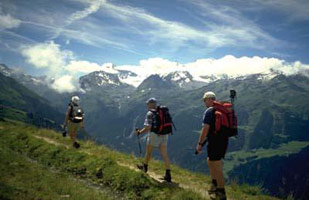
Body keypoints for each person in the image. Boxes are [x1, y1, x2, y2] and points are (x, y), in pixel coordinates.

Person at [196, 91, 228, 200]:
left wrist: (200, 144)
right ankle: (214, 184)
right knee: (210, 161)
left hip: (215, 141)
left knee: (217, 165)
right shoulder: (221, 110)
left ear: (210, 99)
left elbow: (205, 129)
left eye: (205, 100)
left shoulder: (209, 111)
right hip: (223, 140)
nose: (204, 102)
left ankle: (221, 192)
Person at [136, 97, 172, 182]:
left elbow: (148, 127)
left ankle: (145, 168)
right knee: (165, 155)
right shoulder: (163, 111)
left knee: (148, 152)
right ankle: (168, 174)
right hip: (165, 134)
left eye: (148, 104)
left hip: (154, 135)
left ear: (151, 104)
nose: (147, 105)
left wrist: (140, 132)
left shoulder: (150, 113)